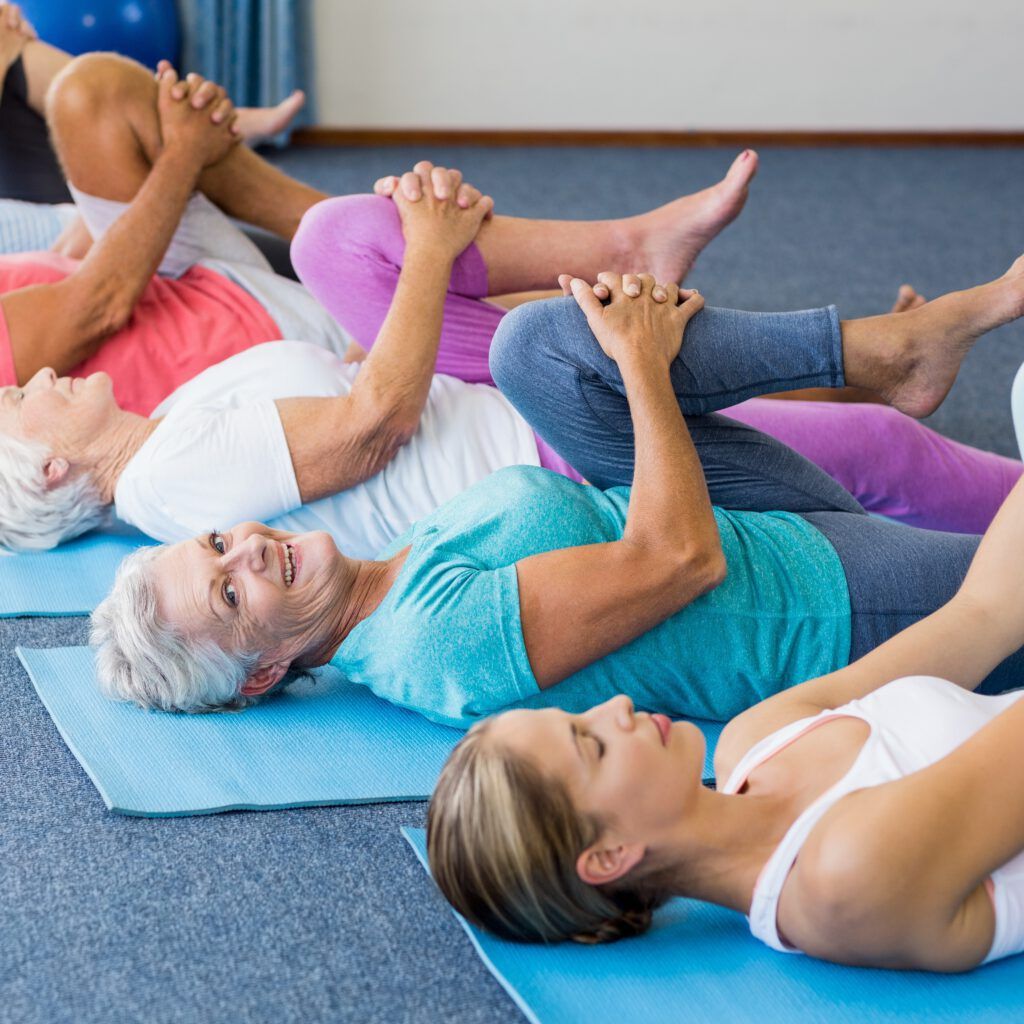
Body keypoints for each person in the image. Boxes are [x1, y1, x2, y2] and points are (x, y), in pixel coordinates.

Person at [89, 257, 1024, 720]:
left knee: (534, 349)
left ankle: (885, 351)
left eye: (216, 545)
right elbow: (680, 560)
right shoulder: (428, 642)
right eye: (229, 591)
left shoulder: (384, 578)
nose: (244, 549)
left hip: (750, 521)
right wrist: (645, 367)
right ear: (259, 674)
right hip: (809, 602)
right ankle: (899, 357)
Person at [424, 466, 1024, 974]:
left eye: (580, 717)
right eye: (592, 745)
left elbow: (982, 615)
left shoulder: (756, 740)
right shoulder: (843, 877)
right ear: (609, 855)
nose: (615, 710)